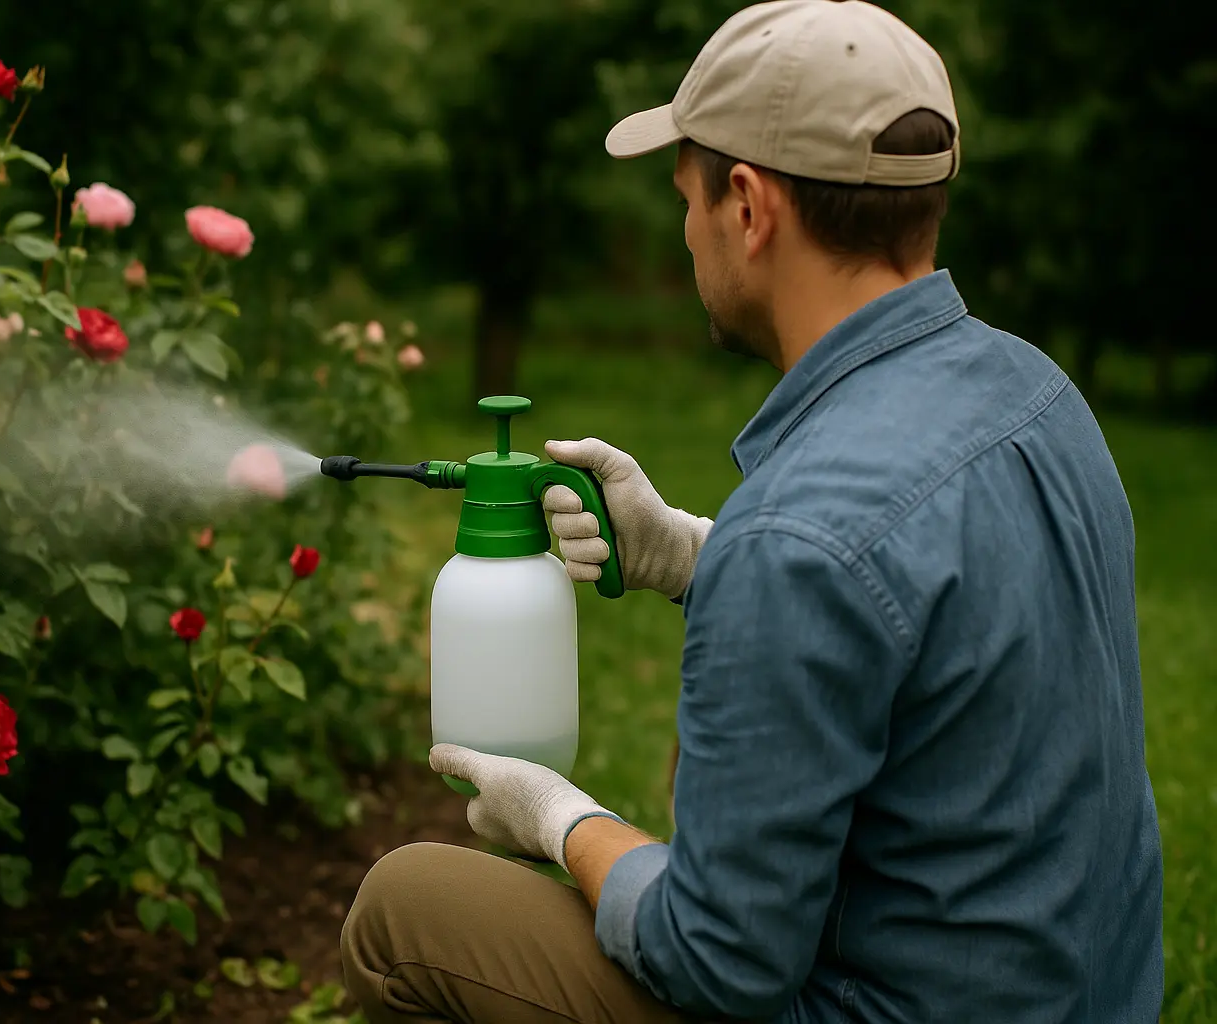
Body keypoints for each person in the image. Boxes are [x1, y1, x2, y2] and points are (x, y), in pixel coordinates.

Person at [339, 1, 1165, 1021]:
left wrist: (564, 820)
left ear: (747, 204)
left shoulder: (798, 539)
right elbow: (930, 608)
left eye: (684, 196)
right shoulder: (1038, 394)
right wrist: (697, 556)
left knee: (405, 908)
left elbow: (718, 962)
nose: (685, 232)